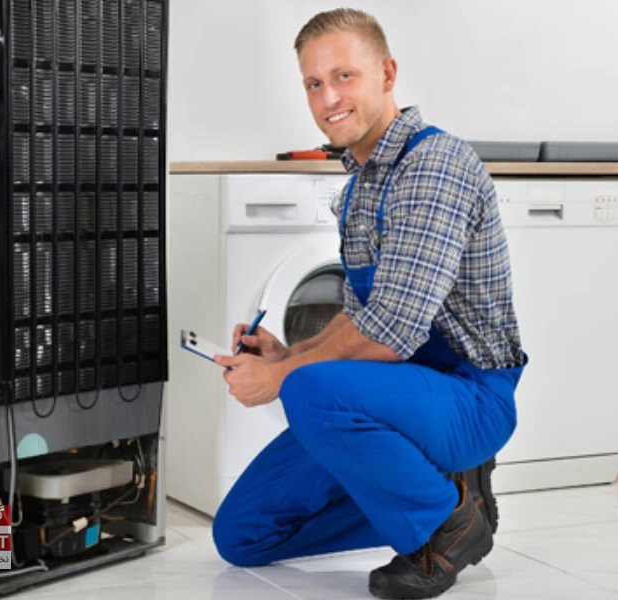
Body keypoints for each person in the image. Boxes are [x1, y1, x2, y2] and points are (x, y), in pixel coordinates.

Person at [211, 8, 527, 599]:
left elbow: (389, 333)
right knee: (241, 535)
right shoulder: (360, 184)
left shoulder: (434, 165)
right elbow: (361, 315)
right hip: (401, 394)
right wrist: (287, 353)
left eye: (344, 76)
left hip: (470, 398)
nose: (328, 98)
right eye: (313, 83)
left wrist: (282, 377)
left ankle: (447, 525)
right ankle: (450, 493)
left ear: (387, 73)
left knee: (308, 389)